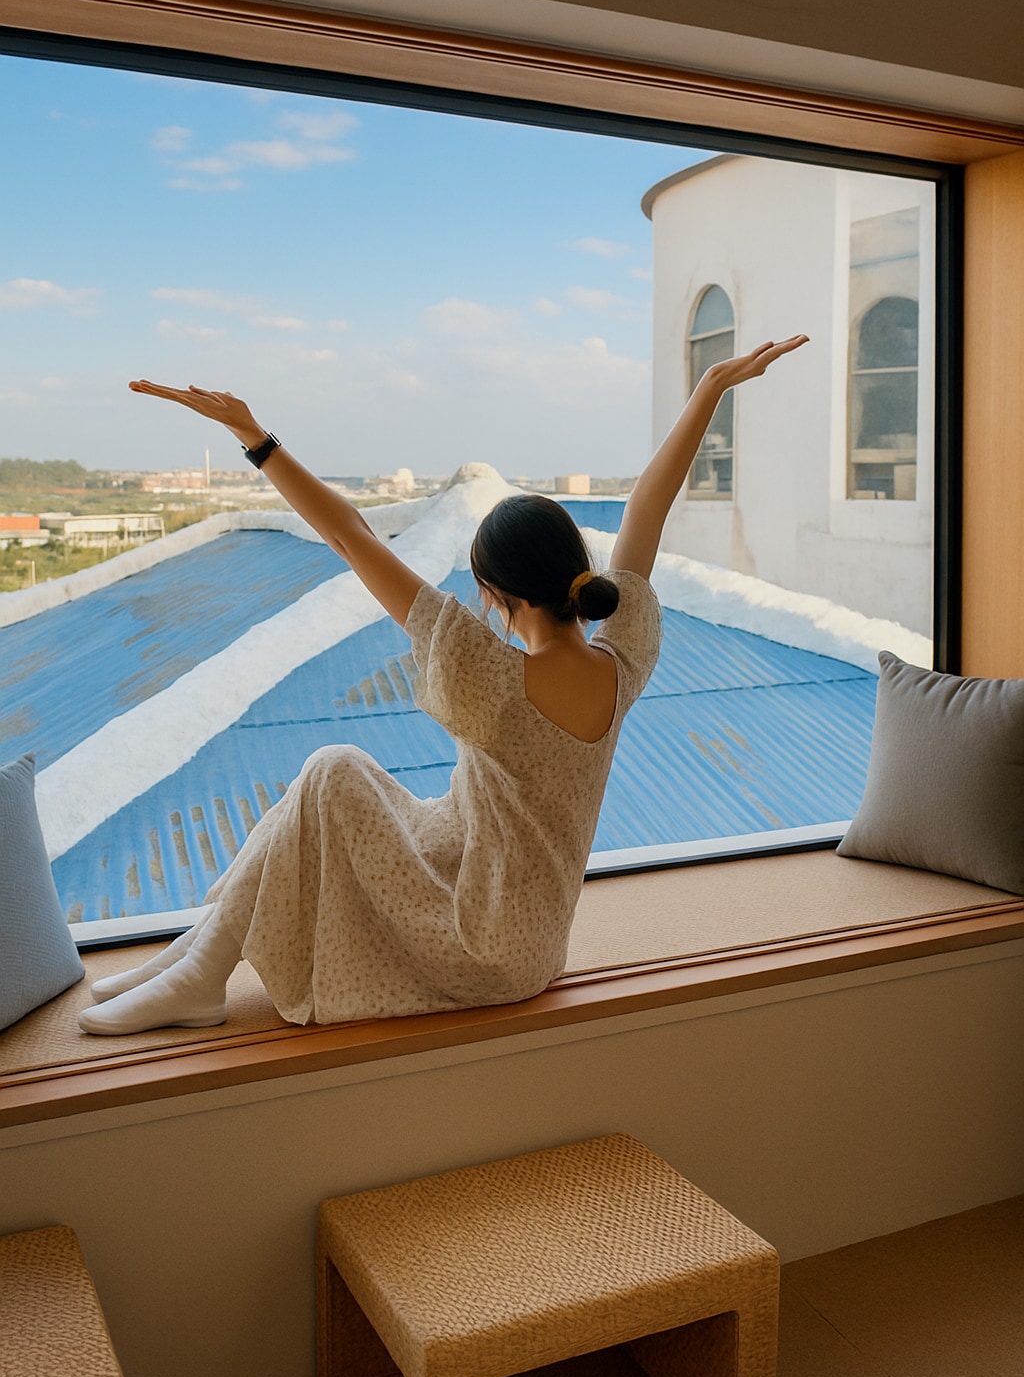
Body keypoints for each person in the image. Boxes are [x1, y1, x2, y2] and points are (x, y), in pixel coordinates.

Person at [79, 334, 807, 1035]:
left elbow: (351, 537)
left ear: (494, 595)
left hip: (478, 939)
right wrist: (712, 389)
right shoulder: (624, 661)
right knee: (331, 781)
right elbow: (648, 507)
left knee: (332, 772)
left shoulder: (486, 672)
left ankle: (202, 970)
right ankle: (197, 952)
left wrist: (255, 437)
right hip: (535, 944)